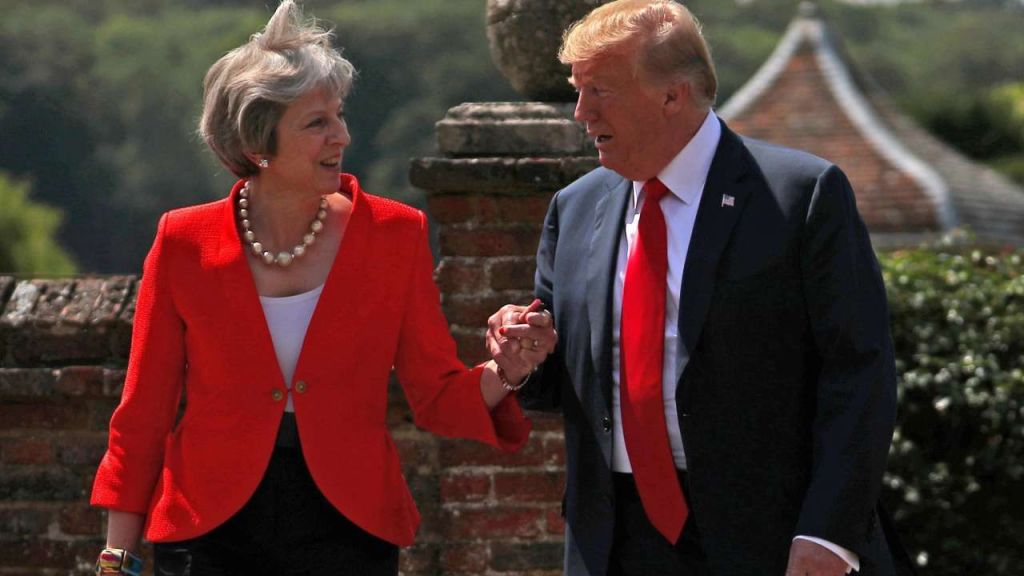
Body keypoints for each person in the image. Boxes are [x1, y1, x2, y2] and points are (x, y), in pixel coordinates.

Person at [89, 2, 553, 575]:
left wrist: (506, 369)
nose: (342, 135)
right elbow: (143, 414)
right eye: (317, 123)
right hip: (208, 530)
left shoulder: (393, 235)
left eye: (338, 115)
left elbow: (435, 396)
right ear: (258, 142)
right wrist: (117, 557)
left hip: (349, 529)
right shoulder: (183, 240)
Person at [489, 1, 911, 575]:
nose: (581, 113)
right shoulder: (575, 206)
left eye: (601, 91)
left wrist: (828, 534)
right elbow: (562, 381)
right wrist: (523, 359)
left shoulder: (801, 196)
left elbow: (860, 374)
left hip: (770, 539)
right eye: (577, 90)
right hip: (614, 540)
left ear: (673, 95)